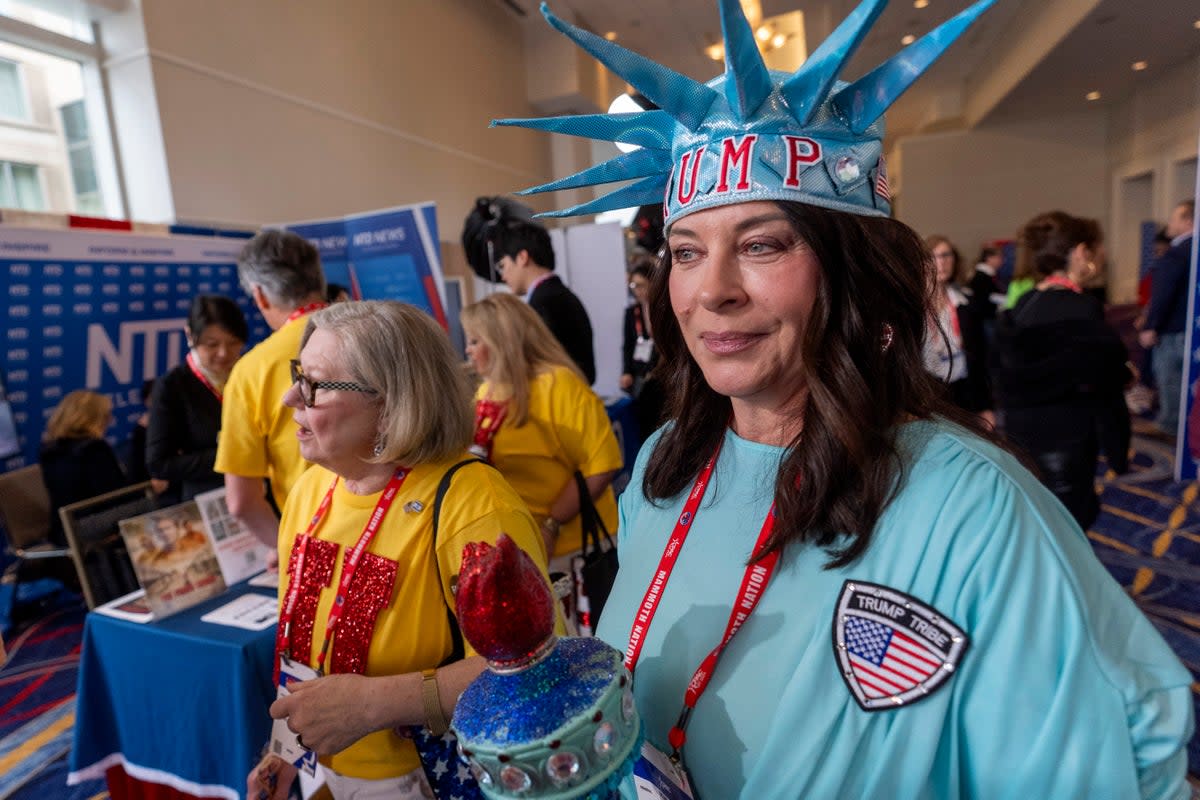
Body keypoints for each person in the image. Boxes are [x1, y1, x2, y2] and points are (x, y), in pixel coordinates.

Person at [494, 2, 1194, 797]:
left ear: (853, 279)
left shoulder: (973, 506)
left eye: (762, 245)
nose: (712, 290)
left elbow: (1118, 761)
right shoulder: (663, 465)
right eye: (687, 252)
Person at [247, 301, 553, 799]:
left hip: (437, 779)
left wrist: (375, 705)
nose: (288, 398)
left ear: (391, 403)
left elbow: (534, 667)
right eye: (297, 375)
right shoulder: (310, 490)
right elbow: (302, 651)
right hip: (324, 772)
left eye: (315, 384)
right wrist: (285, 748)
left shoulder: (472, 502)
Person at [992, 211, 1132, 529]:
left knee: (1036, 522)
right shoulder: (1082, 309)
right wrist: (1118, 451)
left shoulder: (1024, 304)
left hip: (1021, 434)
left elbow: (1004, 372)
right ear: (1081, 252)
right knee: (1069, 524)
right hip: (1067, 438)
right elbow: (1105, 381)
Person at [460, 293, 620, 568]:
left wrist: (551, 525)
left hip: (572, 551)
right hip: (520, 549)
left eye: (475, 341)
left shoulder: (558, 384)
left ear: (502, 342)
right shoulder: (485, 392)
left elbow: (601, 465)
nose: (468, 350)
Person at [215, 230, 325, 547]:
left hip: (319, 540)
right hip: (405, 525)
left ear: (260, 295)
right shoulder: (377, 335)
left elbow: (241, 502)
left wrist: (287, 549)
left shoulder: (252, 370)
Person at [147, 295, 248, 501]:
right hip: (207, 500)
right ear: (190, 336)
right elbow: (159, 463)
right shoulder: (173, 386)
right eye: (211, 345)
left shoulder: (249, 373)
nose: (223, 353)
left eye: (233, 343)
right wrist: (234, 454)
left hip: (260, 491)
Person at [489, 217, 597, 384]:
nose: (502, 276)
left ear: (522, 257)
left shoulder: (544, 302)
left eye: (502, 265)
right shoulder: (559, 295)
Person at [40, 390, 130, 545]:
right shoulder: (94, 448)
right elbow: (115, 496)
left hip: (62, 530)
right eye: (106, 415)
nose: (110, 420)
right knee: (160, 505)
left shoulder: (48, 450)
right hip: (90, 525)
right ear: (93, 418)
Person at [1139, 199, 1195, 439]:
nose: (1169, 224)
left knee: (1170, 377)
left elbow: (1164, 293)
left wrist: (1151, 325)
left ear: (1187, 220)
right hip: (1193, 327)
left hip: (1173, 329)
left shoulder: (1177, 253)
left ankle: (1170, 425)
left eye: (1174, 218)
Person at [924, 235, 992, 422]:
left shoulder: (964, 303)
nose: (942, 262)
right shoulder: (911, 309)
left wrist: (985, 406)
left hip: (964, 391)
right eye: (933, 256)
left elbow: (979, 358)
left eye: (946, 255)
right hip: (928, 395)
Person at [620, 258, 666, 437]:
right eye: (634, 286)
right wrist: (626, 372)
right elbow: (627, 345)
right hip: (641, 376)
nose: (638, 290)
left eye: (641, 285)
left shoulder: (664, 308)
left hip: (661, 375)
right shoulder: (632, 313)